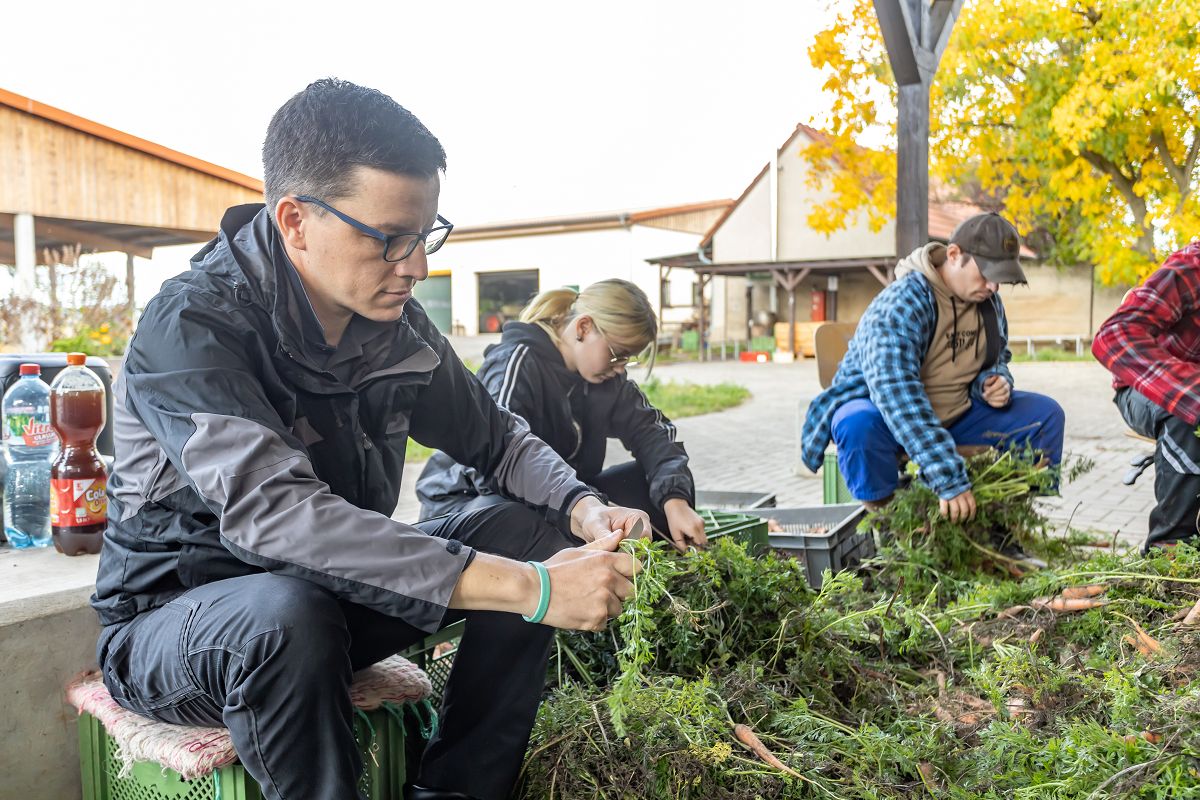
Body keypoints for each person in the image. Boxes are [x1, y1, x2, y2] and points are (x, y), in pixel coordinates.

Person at [90, 79, 650, 800]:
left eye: (426, 236)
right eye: (390, 240)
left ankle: (459, 789)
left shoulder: (394, 325)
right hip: (182, 627)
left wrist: (582, 509)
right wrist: (534, 590)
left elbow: (497, 441)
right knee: (283, 618)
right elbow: (279, 519)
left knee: (527, 528)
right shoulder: (193, 328)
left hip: (325, 598)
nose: (416, 265)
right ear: (295, 220)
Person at [800, 212, 1066, 524]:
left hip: (957, 413)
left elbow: (996, 358)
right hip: (888, 418)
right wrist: (947, 478)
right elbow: (897, 397)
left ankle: (1008, 522)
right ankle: (890, 523)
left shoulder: (989, 304)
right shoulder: (903, 303)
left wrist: (993, 381)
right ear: (954, 255)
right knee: (855, 424)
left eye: (1000, 278)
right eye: (986, 274)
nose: (993, 286)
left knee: (1045, 417)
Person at [416, 280, 707, 552]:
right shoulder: (516, 365)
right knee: (515, 516)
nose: (621, 369)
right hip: (470, 504)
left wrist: (675, 500)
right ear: (583, 328)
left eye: (629, 359)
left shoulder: (606, 381)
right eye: (618, 354)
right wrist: (593, 504)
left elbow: (653, 433)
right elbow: (492, 472)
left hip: (563, 499)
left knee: (651, 484)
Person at [1092, 242, 1200, 552]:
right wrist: (1192, 392)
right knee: (1187, 415)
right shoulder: (1191, 268)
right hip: (1141, 388)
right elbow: (1113, 334)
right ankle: (1169, 552)